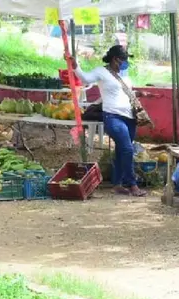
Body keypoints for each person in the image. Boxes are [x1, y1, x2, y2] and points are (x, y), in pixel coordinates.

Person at [74, 45, 145, 196]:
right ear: (114, 59)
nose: (126, 63)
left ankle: (117, 184)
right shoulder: (101, 72)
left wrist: (139, 93)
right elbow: (85, 78)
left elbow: (125, 92)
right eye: (123, 59)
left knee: (121, 150)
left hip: (130, 117)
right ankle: (132, 184)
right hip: (113, 116)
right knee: (127, 149)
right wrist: (76, 66)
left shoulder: (124, 75)